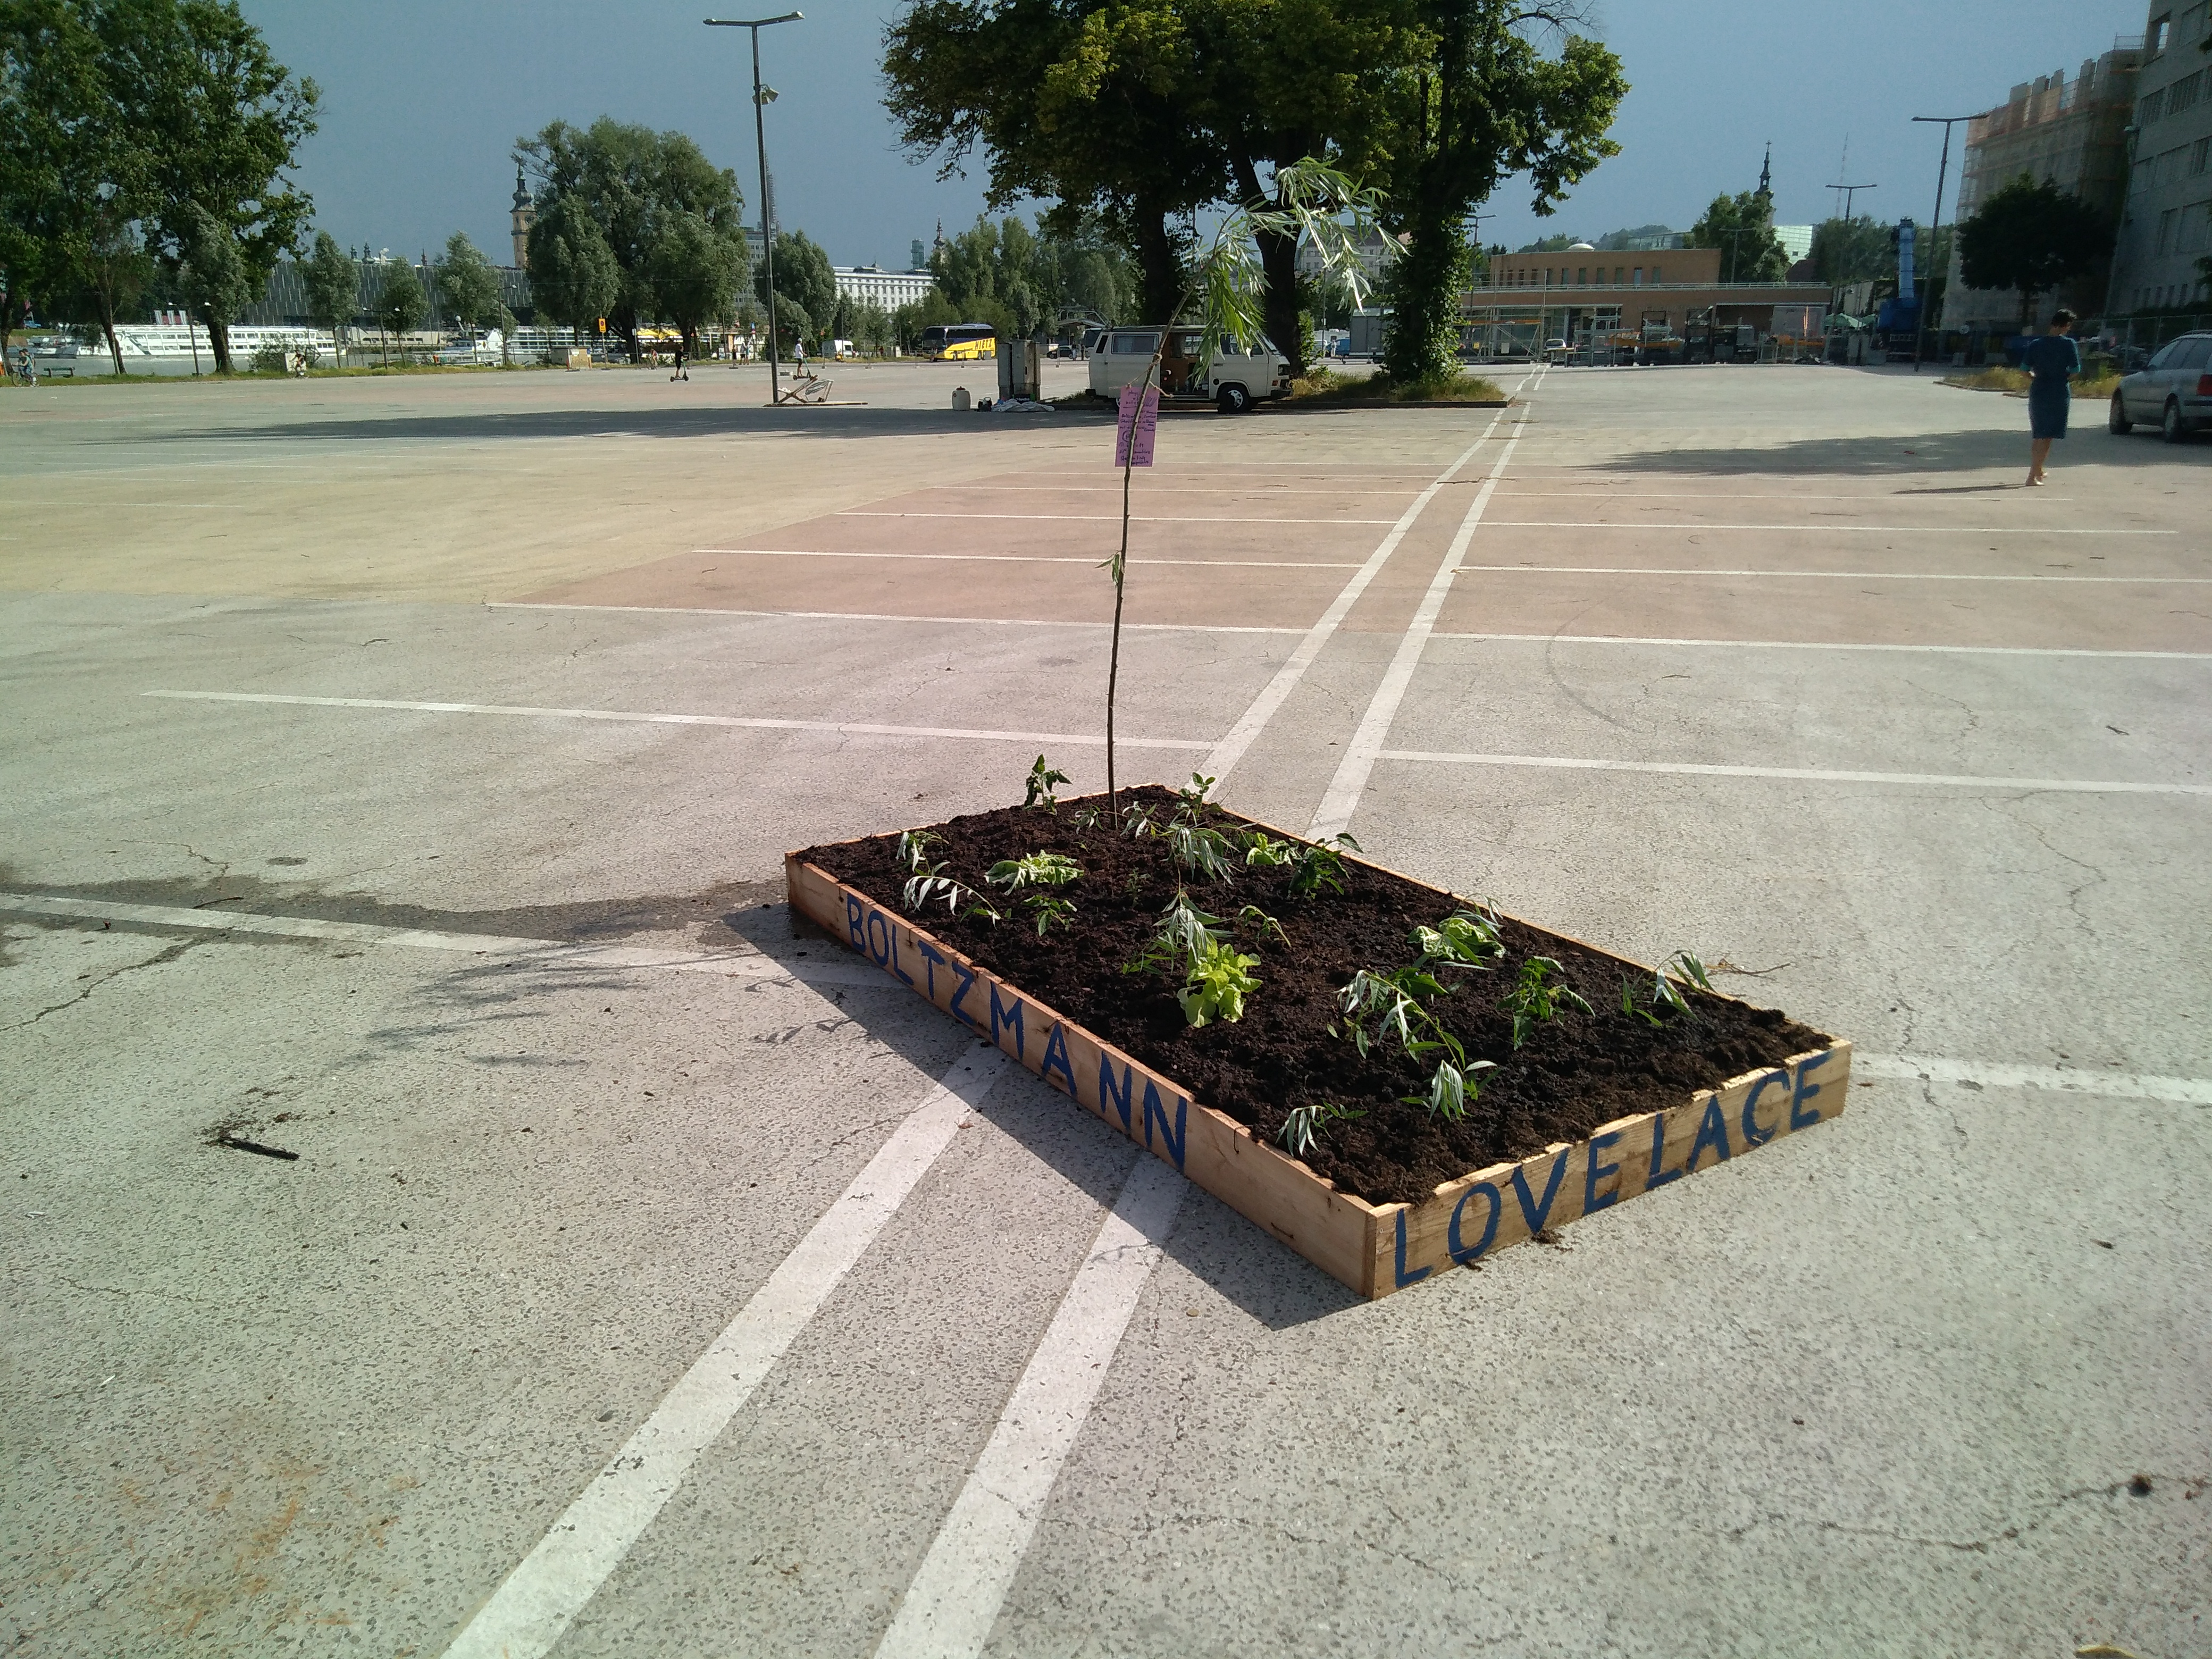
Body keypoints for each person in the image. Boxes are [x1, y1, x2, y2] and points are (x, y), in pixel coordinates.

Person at [2023, 309, 2081, 487]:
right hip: (2058, 392)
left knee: (2039, 433)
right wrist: (2063, 379)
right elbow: (2075, 371)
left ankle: (2038, 469)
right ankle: (2032, 475)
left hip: (2039, 390)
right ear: (2066, 326)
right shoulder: (2068, 344)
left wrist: (2036, 378)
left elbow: (2024, 369)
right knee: (2048, 436)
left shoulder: (2036, 344)